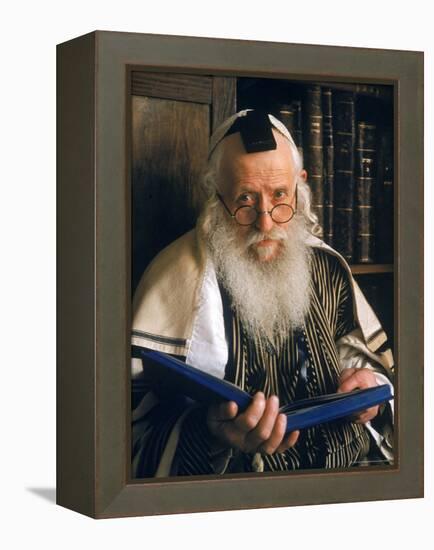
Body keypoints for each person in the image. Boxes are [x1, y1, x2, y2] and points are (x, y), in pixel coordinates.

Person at [131, 109, 394, 477]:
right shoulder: (174, 276)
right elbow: (131, 429)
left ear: (300, 186)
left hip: (349, 474)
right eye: (245, 200)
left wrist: (371, 391)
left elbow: (369, 366)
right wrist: (211, 432)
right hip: (240, 490)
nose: (266, 222)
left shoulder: (327, 266)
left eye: (279, 195)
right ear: (215, 195)